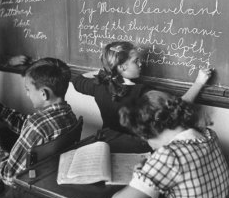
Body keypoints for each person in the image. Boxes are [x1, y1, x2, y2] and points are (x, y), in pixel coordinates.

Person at [107, 90, 229, 198]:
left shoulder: (169, 155)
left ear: (147, 132)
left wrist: (140, 177)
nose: (151, 147)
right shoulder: (208, 134)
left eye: (144, 139)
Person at [72, 41, 212, 133]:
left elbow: (78, 80)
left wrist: (107, 70)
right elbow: (178, 107)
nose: (141, 64)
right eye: (136, 61)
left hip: (108, 144)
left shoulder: (99, 86)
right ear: (121, 67)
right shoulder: (141, 92)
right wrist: (199, 82)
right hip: (134, 148)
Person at [0, 57, 78, 187]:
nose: (27, 94)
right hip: (50, 178)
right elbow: (25, 124)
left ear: (43, 94)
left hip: (27, 190)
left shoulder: (36, 126)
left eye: (28, 90)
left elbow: (8, 176)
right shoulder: (69, 115)